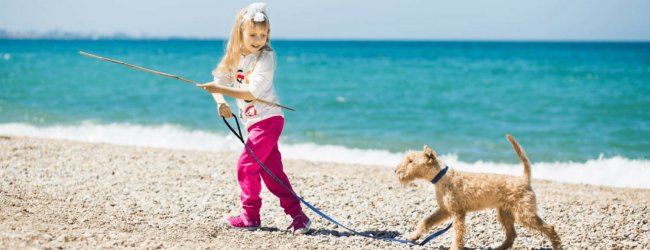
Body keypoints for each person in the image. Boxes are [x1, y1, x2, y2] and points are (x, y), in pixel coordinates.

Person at [198, 2, 311, 234]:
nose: (258, 39)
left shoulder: (266, 58)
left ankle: (250, 217)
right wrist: (220, 102)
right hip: (254, 123)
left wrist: (221, 92)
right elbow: (219, 82)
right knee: (272, 174)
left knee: (246, 165)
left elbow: (251, 92)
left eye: (263, 34)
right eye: (252, 34)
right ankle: (298, 216)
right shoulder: (236, 56)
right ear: (241, 33)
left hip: (268, 121)